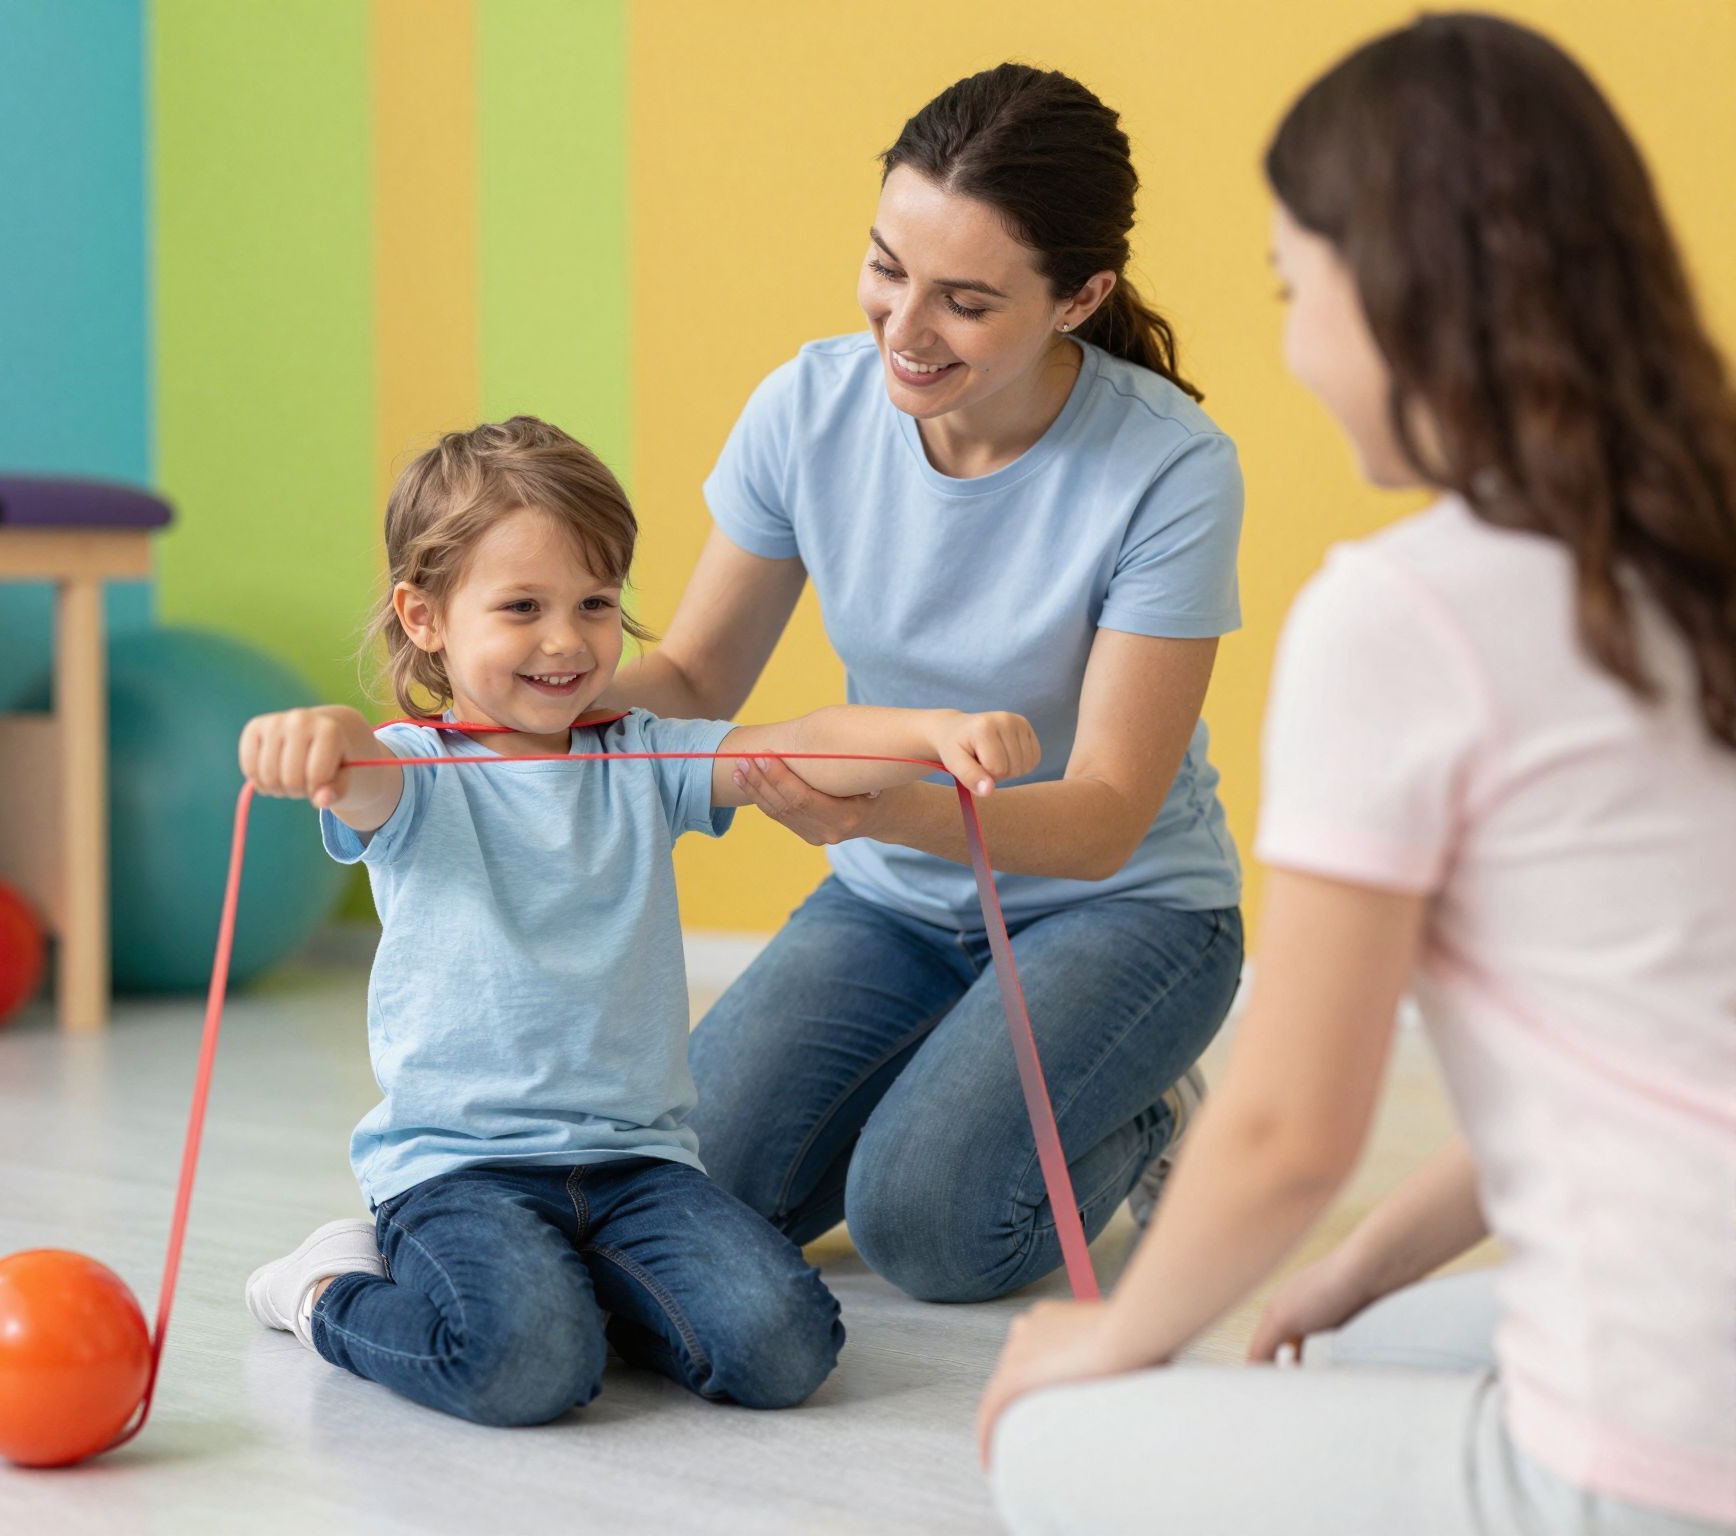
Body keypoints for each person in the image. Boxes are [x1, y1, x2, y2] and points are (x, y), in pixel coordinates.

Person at [980, 15, 1736, 1534]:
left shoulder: (1404, 616)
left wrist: (1100, 1347)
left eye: (1291, 285)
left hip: (1657, 1455)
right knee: (1345, 1339)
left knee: (1049, 1438)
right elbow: (1645, 1061)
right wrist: (1356, 1267)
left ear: (1391, 289)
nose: (1293, 341)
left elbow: (1288, 1127)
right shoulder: (1695, 558)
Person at [237, 416, 1041, 1427]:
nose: (566, 640)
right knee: (523, 1366)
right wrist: (317, 735)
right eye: (522, 607)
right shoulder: (412, 774)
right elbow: (356, 763)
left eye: (595, 603)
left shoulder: (639, 756)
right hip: (462, 1171)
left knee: (783, 1349)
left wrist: (936, 732)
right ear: (424, 616)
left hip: (638, 1168)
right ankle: (326, 1291)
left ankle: (583, 1295)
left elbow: (798, 744)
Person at [608, 63, 1247, 1304]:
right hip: (896, 902)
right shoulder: (807, 410)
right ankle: (974, 1076)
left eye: (964, 302)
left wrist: (872, 808)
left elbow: (1105, 816)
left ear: (1079, 298)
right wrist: (509, 712)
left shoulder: (1169, 469)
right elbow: (691, 671)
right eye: (885, 268)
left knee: (931, 1225)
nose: (903, 328)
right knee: (691, 1189)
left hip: (1119, 910)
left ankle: (1147, 1107)